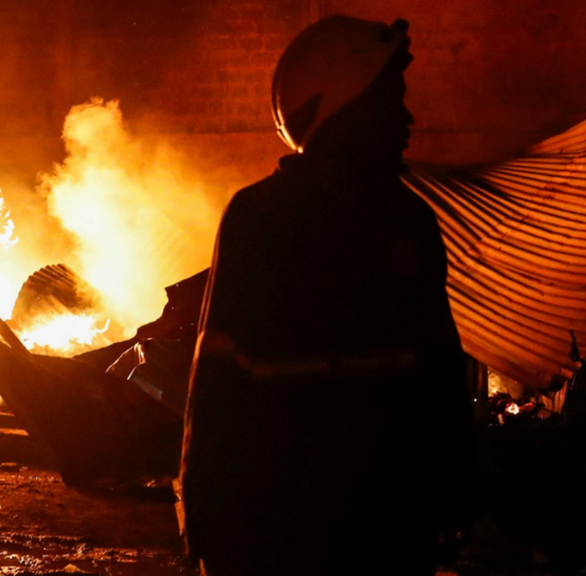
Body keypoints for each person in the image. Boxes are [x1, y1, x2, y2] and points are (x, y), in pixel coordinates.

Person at [178, 16, 476, 576]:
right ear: (350, 108)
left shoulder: (397, 221)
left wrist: (206, 520)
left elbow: (439, 373)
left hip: (334, 527)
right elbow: (217, 384)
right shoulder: (280, 220)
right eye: (393, 100)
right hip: (321, 529)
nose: (407, 120)